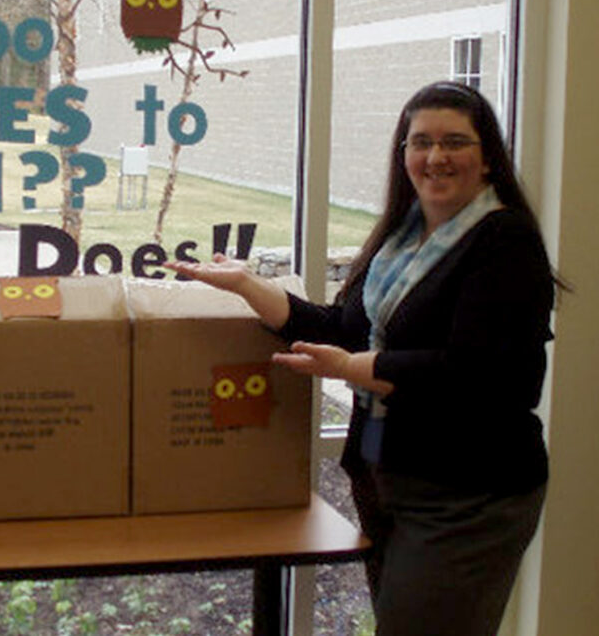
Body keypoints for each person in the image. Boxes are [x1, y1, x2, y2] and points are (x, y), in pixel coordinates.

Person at [165, 81, 557, 636]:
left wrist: (351, 370)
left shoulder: (504, 242)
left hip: (467, 493)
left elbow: (470, 373)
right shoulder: (402, 241)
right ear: (404, 156)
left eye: (455, 142)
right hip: (386, 479)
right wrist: (249, 286)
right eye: (421, 142)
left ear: (487, 157)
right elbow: (344, 329)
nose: (436, 156)